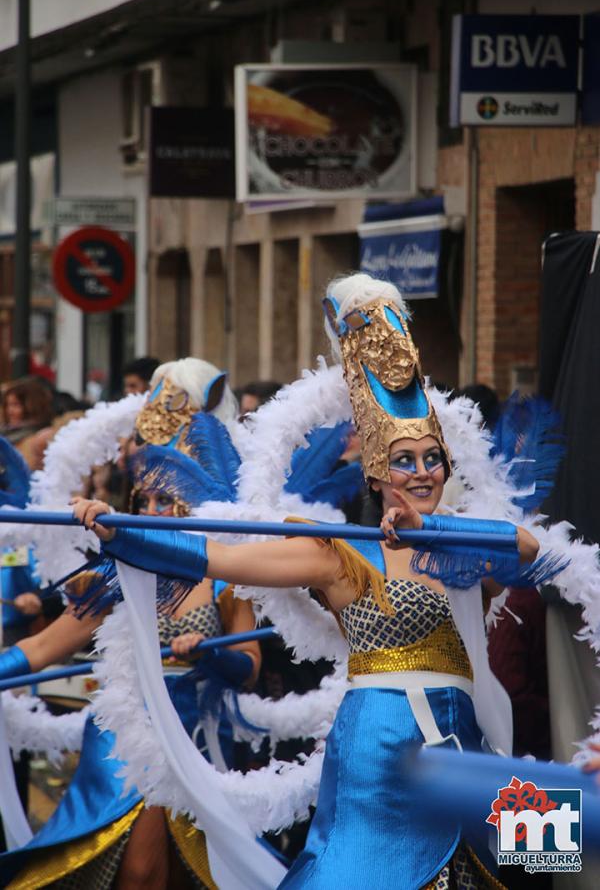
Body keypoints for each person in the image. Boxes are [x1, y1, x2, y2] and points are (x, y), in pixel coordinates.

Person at [75, 274, 554, 889]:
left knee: (526, 861)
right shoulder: (339, 556)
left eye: (432, 459)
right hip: (381, 742)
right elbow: (218, 559)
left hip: (464, 734)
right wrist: (120, 533)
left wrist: (430, 530)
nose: (421, 473)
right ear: (376, 474)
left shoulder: (465, 546)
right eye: (403, 462)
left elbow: (528, 553)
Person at [0, 361, 259, 890]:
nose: (158, 512)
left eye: (172, 500)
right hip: (123, 741)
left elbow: (250, 669)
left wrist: (207, 654)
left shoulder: (228, 574)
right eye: (149, 500)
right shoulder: (118, 571)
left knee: (186, 873)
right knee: (134, 871)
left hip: (194, 740)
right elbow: (45, 646)